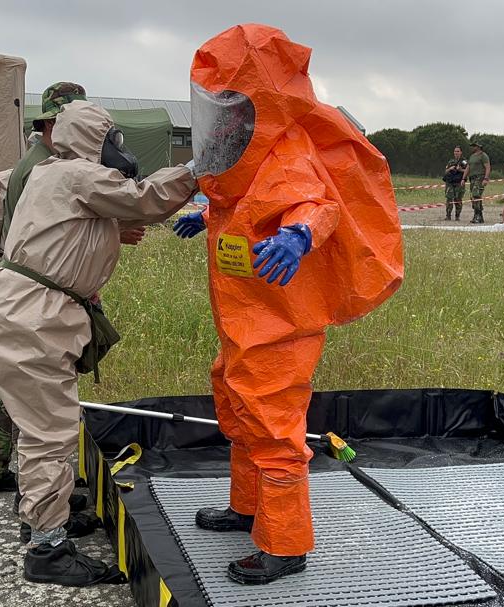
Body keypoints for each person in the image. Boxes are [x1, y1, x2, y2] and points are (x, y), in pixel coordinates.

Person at [173, 24, 403, 585]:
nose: (221, 116)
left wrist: (298, 235)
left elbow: (316, 203)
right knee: (239, 411)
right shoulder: (244, 157)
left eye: (230, 101)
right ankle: (247, 506)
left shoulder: (286, 150)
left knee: (274, 428)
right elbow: (247, 205)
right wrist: (206, 216)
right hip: (243, 323)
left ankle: (284, 545)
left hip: (280, 327)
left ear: (256, 99)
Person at [0, 100, 196, 586]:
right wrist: (194, 171)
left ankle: (42, 515)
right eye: (113, 139)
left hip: (22, 309)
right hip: (36, 316)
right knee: (49, 433)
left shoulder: (51, 173)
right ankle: (47, 547)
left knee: (38, 422)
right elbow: (144, 199)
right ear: (95, 140)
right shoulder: (80, 173)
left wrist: (109, 231)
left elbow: (64, 230)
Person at [0, 82, 145, 493]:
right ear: (48, 126)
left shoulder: (53, 171)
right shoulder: (33, 175)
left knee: (18, 380)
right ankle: (30, 493)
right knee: (24, 389)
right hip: (30, 293)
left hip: (35, 291)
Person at [0, 82, 86, 484]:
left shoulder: (76, 175)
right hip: (18, 287)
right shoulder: (10, 180)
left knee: (37, 375)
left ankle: (1, 461)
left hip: (53, 291)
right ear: (48, 125)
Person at [467, 140, 491, 223]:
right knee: (473, 197)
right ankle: (478, 216)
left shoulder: (483, 156)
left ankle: (477, 215)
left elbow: (487, 167)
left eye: (474, 146)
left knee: (476, 195)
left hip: (480, 177)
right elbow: (468, 167)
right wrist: (463, 178)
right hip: (472, 178)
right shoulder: (472, 156)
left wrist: (486, 178)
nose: (472, 147)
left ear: (478, 147)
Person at [443, 146, 469, 221]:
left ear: (461, 152)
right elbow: (445, 171)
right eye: (455, 151)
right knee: (449, 199)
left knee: (458, 199)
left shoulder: (464, 162)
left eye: (458, 151)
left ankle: (457, 216)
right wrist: (450, 168)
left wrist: (460, 170)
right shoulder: (451, 161)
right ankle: (448, 216)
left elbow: (468, 171)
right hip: (450, 182)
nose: (456, 153)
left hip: (459, 182)